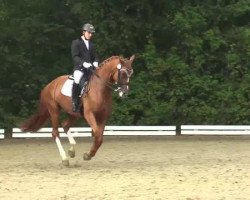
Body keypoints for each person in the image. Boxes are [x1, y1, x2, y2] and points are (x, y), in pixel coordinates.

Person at [71, 23, 99, 112]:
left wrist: (95, 62)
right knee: (77, 80)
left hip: (90, 69)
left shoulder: (92, 44)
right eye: (89, 33)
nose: (90, 35)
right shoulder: (76, 42)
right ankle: (75, 102)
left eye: (91, 33)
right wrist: (83, 63)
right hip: (80, 68)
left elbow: (95, 56)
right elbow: (75, 56)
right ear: (84, 32)